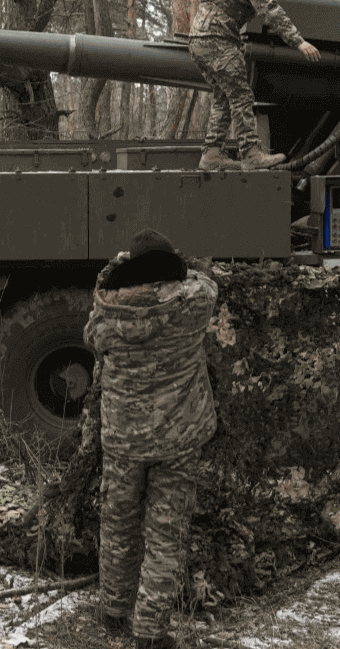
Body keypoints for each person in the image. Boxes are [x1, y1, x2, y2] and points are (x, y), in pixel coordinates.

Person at [83, 228, 219, 649]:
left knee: (118, 524)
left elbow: (91, 334)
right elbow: (206, 281)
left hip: (124, 439)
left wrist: (113, 270)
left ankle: (114, 609)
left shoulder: (106, 314)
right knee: (166, 534)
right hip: (178, 439)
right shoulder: (193, 304)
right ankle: (150, 631)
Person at [187, 0, 321, 171]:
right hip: (217, 39)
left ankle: (211, 155)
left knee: (224, 97)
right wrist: (298, 42)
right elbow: (270, 9)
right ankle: (251, 154)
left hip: (200, 39)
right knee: (241, 95)